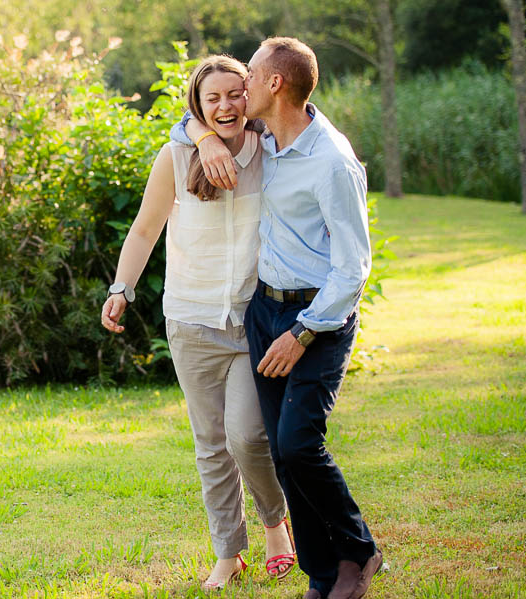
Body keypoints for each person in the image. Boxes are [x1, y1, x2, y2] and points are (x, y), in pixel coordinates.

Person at [172, 37, 383, 599]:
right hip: (265, 312)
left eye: (251, 76)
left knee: (296, 444)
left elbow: (354, 267)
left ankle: (359, 551)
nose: (239, 89)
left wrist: (303, 331)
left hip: (317, 320)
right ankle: (320, 573)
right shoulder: (268, 139)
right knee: (281, 457)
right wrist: (199, 136)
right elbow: (185, 120)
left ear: (274, 86)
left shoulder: (332, 161)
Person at [100, 55, 296, 590]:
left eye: (236, 93)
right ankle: (228, 552)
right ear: (197, 104)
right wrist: (122, 287)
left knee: (248, 438)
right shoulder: (175, 154)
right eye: (212, 99)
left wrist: (210, 136)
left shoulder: (271, 153)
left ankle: (276, 523)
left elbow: (303, 114)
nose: (226, 106)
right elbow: (144, 231)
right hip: (190, 320)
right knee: (210, 444)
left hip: (252, 321)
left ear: (251, 95)